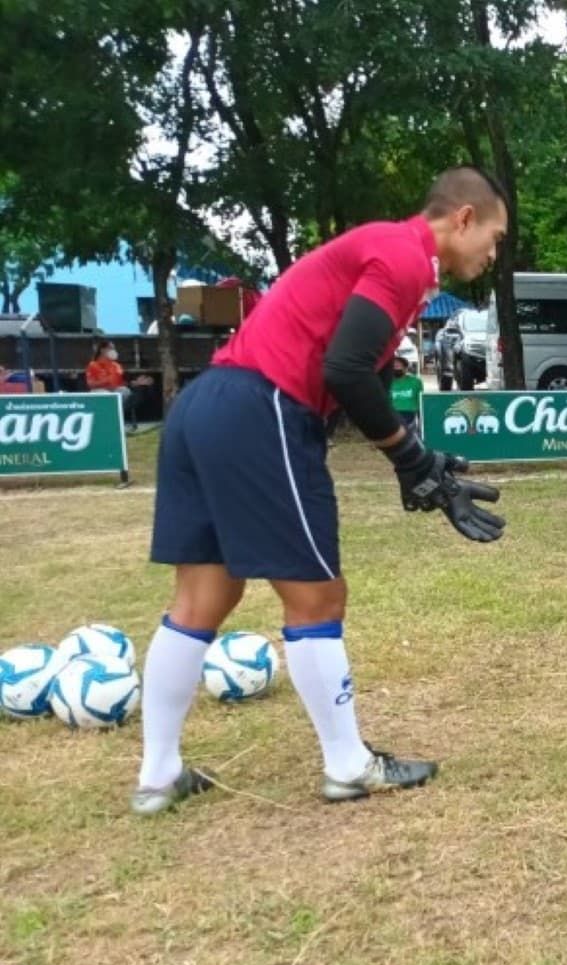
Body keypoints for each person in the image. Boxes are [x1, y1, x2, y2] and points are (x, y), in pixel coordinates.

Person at [133, 165, 510, 816]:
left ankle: (157, 775)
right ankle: (348, 766)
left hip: (206, 408)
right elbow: (344, 368)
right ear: (464, 219)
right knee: (317, 594)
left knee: (205, 594)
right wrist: (407, 458)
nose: (493, 254)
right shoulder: (405, 257)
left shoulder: (388, 256)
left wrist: (417, 457)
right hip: (263, 407)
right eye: (495, 238)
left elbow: (353, 375)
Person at [85, 339, 141, 431]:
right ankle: (107, 421)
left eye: (113, 348)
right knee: (106, 395)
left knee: (125, 391)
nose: (113, 350)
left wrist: (135, 383)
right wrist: (105, 382)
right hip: (100, 390)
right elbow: (90, 384)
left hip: (115, 390)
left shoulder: (116, 366)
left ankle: (117, 419)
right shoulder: (93, 365)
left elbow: (122, 382)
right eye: (110, 348)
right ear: (102, 350)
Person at [389, 352, 424, 431]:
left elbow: (421, 401)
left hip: (410, 414)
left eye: (398, 366)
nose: (396, 368)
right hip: (393, 415)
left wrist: (421, 423)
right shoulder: (388, 382)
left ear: (405, 368)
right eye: (393, 366)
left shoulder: (415, 381)